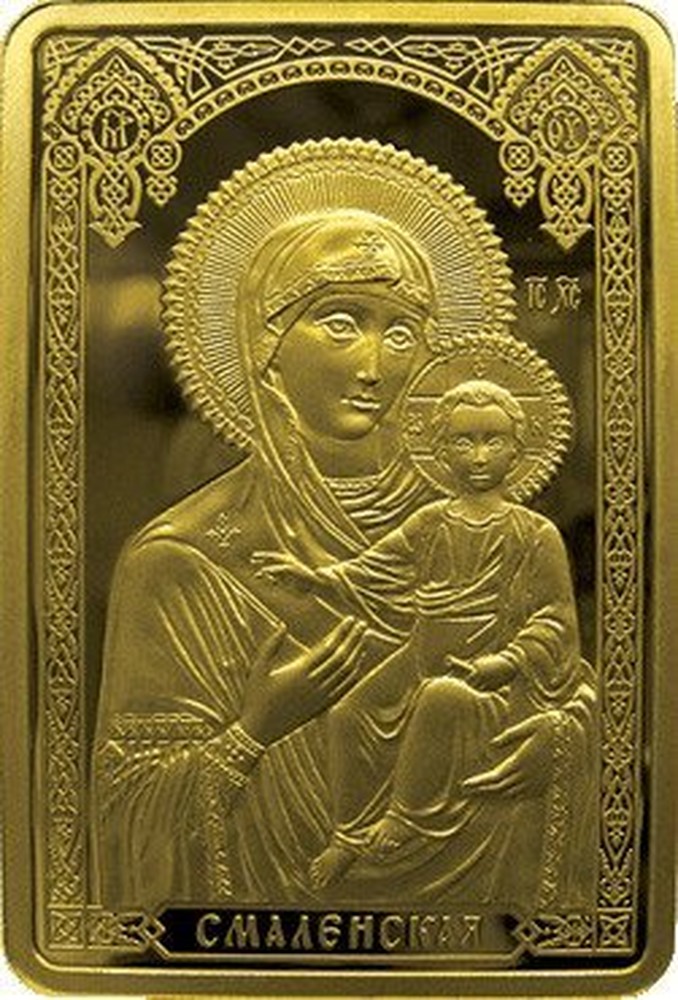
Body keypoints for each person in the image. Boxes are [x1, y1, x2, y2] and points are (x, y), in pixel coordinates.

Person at [93, 139, 595, 913]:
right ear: (264, 345)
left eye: (402, 333)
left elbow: (569, 674)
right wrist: (255, 729)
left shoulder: (503, 529)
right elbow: (128, 819)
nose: (374, 365)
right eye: (339, 322)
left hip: (485, 930)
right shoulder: (181, 560)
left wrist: (559, 741)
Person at [255, 380, 596, 909]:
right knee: (348, 712)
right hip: (420, 654)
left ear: (517, 451)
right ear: (441, 451)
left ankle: (404, 819)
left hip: (497, 679)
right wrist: (314, 579)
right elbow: (373, 571)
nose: (479, 456)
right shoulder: (430, 522)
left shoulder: (535, 533)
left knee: (441, 697)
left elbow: (554, 619)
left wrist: (504, 662)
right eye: (463, 441)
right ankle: (348, 835)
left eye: (493, 440)